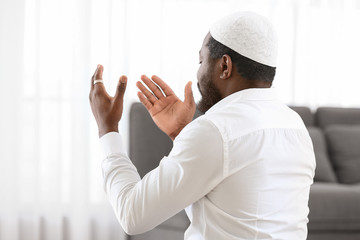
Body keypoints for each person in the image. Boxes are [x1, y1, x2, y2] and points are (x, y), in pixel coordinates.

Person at [89, 11, 316, 240]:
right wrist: (182, 134)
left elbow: (132, 214)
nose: (198, 73)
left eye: (201, 61)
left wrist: (107, 128)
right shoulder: (296, 127)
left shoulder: (215, 131)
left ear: (224, 66)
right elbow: (228, 201)